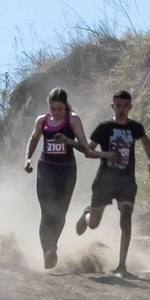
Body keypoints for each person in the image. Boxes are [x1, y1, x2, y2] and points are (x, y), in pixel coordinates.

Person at [76, 90, 150, 275]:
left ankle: (122, 265)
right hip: (104, 180)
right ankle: (87, 213)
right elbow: (88, 151)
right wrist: (105, 154)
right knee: (94, 224)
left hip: (126, 181)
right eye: (118, 106)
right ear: (113, 107)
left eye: (125, 106)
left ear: (130, 107)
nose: (121, 110)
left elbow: (145, 141)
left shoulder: (135, 127)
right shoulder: (104, 127)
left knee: (126, 215)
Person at [20, 88, 90, 270]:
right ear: (48, 105)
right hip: (46, 170)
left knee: (59, 214)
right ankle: (48, 252)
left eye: (60, 109)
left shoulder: (73, 119)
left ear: (65, 106)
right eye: (53, 108)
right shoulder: (42, 120)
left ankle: (53, 246)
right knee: (47, 213)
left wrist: (69, 141)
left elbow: (85, 147)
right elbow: (34, 139)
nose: (56, 112)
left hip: (67, 172)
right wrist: (28, 158)